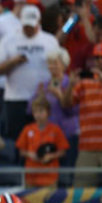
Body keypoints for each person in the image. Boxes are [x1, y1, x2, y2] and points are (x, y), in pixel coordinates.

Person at [0, 5, 59, 141]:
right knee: (18, 140)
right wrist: (14, 61)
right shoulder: (8, 40)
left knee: (43, 139)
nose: (29, 29)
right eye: (26, 26)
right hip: (16, 99)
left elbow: (58, 70)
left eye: (32, 26)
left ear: (38, 23)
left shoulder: (50, 41)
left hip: (42, 99)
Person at [61, 42, 102, 186]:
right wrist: (71, 85)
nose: (99, 61)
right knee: (81, 189)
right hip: (87, 146)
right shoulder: (85, 82)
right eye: (96, 58)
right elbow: (66, 104)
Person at [35, 49, 80, 183]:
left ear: (64, 64)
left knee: (68, 172)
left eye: (55, 63)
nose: (52, 66)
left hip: (68, 134)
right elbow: (31, 108)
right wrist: (40, 96)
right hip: (49, 135)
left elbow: (74, 110)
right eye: (50, 63)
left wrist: (60, 95)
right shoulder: (44, 85)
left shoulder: (71, 83)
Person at [16, 97, 69, 187]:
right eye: (35, 112)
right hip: (31, 177)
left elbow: (63, 152)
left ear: (48, 112)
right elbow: (21, 152)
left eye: (41, 111)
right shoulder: (27, 129)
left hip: (50, 178)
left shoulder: (56, 130)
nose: (38, 115)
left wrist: (51, 156)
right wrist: (30, 154)